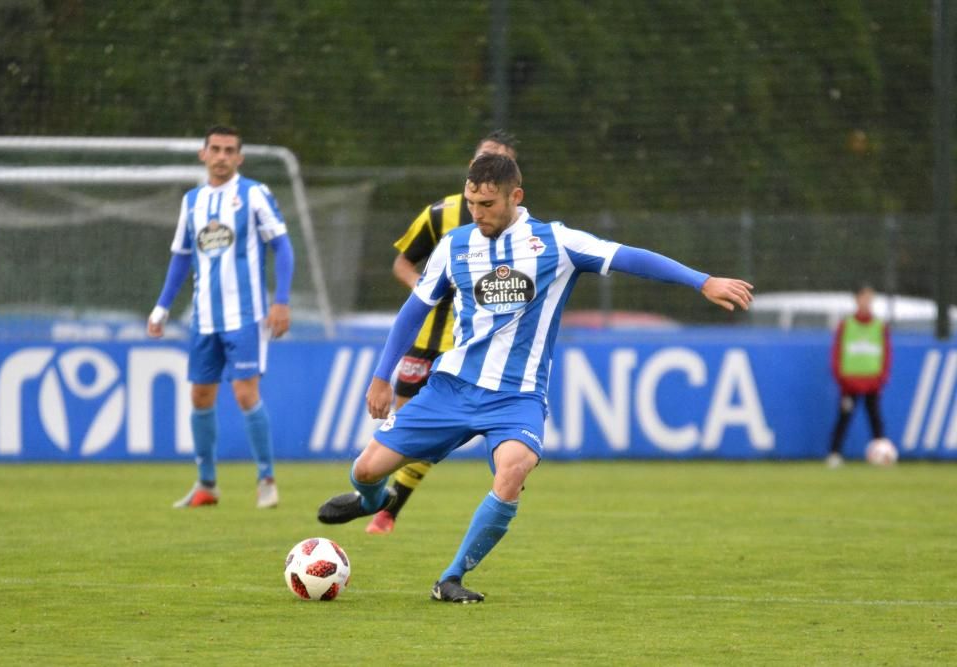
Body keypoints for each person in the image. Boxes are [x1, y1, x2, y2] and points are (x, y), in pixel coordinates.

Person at [317, 153, 753, 602]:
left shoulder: (555, 243)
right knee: (366, 470)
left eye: (487, 204)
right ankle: (372, 502)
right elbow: (414, 312)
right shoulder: (454, 245)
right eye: (471, 203)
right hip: (452, 387)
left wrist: (701, 281)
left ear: (515, 196)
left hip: (517, 397)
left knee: (513, 470)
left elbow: (628, 257)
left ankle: (451, 578)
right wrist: (381, 377)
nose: (477, 212)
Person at [365, 130, 519, 535]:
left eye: (500, 159)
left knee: (435, 437)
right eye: (484, 157)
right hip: (427, 339)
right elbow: (402, 264)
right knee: (403, 425)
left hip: (474, 350)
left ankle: (389, 511)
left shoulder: (521, 229)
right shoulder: (440, 215)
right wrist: (428, 290)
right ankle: (376, 497)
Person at [147, 125, 294, 509]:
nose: (222, 156)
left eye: (230, 150)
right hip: (204, 318)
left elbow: (282, 245)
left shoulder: (254, 194)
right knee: (199, 395)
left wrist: (281, 300)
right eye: (216, 149)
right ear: (203, 154)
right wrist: (162, 307)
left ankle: (266, 479)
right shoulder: (192, 201)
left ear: (239, 158)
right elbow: (181, 257)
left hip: (245, 315)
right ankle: (206, 484)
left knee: (245, 394)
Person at [826, 285, 891, 468]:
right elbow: (837, 352)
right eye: (864, 298)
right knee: (844, 418)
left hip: (872, 382)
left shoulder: (879, 325)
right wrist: (840, 377)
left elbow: (886, 354)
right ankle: (834, 453)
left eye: (870, 298)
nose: (867, 302)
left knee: (875, 419)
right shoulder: (847, 324)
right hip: (850, 382)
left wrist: (882, 378)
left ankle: (883, 454)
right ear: (856, 299)